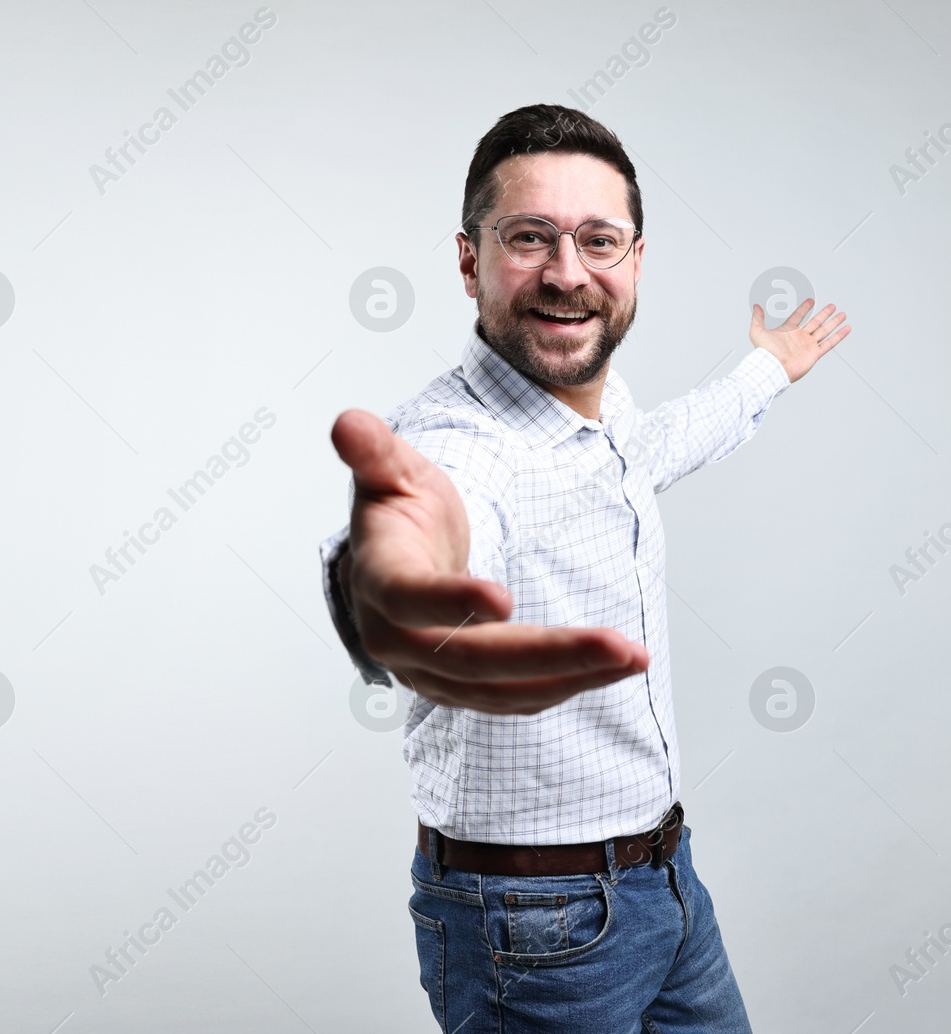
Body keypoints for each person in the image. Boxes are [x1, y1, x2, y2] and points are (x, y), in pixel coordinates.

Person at [318, 103, 847, 1033]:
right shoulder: (457, 444)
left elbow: (655, 448)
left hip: (665, 884)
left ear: (635, 261)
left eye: (597, 239)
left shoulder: (601, 416)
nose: (568, 272)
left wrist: (766, 371)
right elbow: (415, 541)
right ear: (469, 258)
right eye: (530, 237)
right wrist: (390, 596)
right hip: (532, 924)